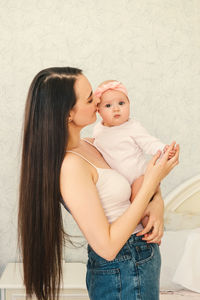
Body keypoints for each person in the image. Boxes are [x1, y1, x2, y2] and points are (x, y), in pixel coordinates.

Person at [18, 67, 179, 300]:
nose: (99, 101)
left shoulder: (93, 144)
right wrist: (154, 180)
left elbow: (135, 175)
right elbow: (107, 247)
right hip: (123, 268)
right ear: (67, 114)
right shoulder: (70, 166)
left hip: (138, 261)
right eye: (90, 98)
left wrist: (157, 201)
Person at [93, 80, 176, 227]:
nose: (116, 109)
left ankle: (149, 229)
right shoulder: (98, 131)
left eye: (121, 103)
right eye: (108, 106)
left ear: (129, 104)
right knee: (124, 207)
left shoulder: (132, 127)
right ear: (98, 111)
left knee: (141, 202)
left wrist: (164, 150)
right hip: (118, 181)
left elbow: (149, 142)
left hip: (137, 176)